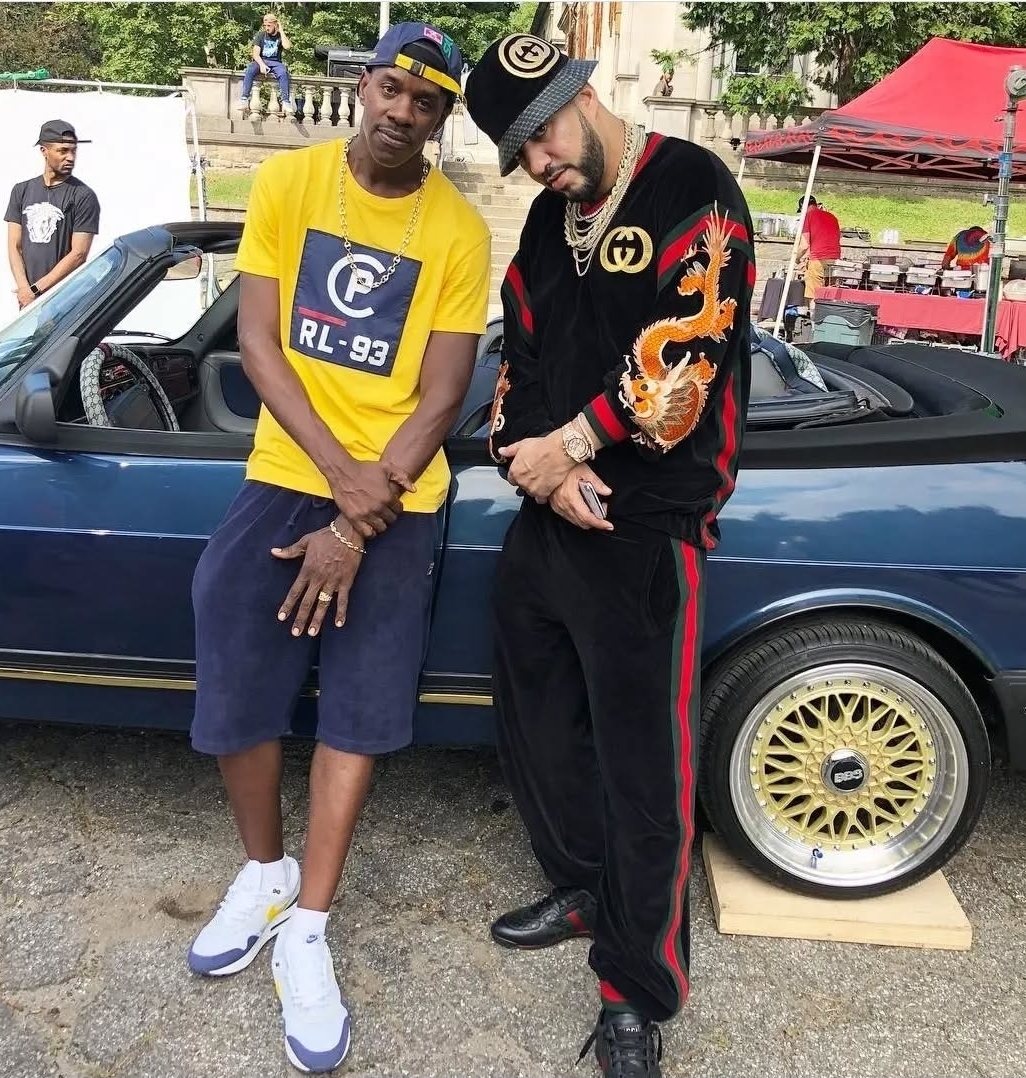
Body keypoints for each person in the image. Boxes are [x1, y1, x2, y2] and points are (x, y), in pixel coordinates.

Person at [187, 21, 490, 1075]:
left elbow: (443, 395)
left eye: (426, 102)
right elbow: (259, 343)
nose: (403, 112)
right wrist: (333, 478)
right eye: (392, 89)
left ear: (442, 119)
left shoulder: (457, 230)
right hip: (289, 468)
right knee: (233, 658)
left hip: (401, 492)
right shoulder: (289, 184)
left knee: (359, 706)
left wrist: (358, 519)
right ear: (362, 86)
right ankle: (263, 872)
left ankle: (308, 925)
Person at [462, 34, 754, 1078]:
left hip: (647, 524)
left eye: (541, 136)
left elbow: (686, 358)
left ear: (579, 96)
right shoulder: (550, 221)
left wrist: (576, 447)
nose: (538, 164)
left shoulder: (691, 185)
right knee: (539, 720)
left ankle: (637, 986)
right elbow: (521, 349)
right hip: (551, 511)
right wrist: (537, 468)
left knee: (644, 767)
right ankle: (588, 886)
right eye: (519, 154)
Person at [4, 120, 100, 310]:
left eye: (73, 151)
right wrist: (24, 289)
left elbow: (79, 254)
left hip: (67, 299)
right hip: (29, 299)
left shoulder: (83, 195)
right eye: (63, 151)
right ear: (44, 151)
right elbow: (14, 246)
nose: (70, 157)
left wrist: (36, 290)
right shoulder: (21, 191)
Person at [238, 12, 293, 115]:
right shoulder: (261, 35)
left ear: (275, 25)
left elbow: (287, 46)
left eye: (269, 25)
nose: (267, 28)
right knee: (250, 69)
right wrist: (262, 65)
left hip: (275, 63)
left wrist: (281, 30)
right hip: (261, 60)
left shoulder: (280, 36)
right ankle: (244, 99)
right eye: (265, 25)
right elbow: (255, 54)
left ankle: (286, 102)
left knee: (283, 72)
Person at [795, 193, 840, 300]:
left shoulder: (808, 216)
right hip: (835, 260)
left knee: (814, 296)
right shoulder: (832, 216)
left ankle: (814, 311)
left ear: (803, 207)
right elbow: (828, 238)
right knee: (829, 295)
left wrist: (796, 258)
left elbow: (804, 245)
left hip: (818, 260)